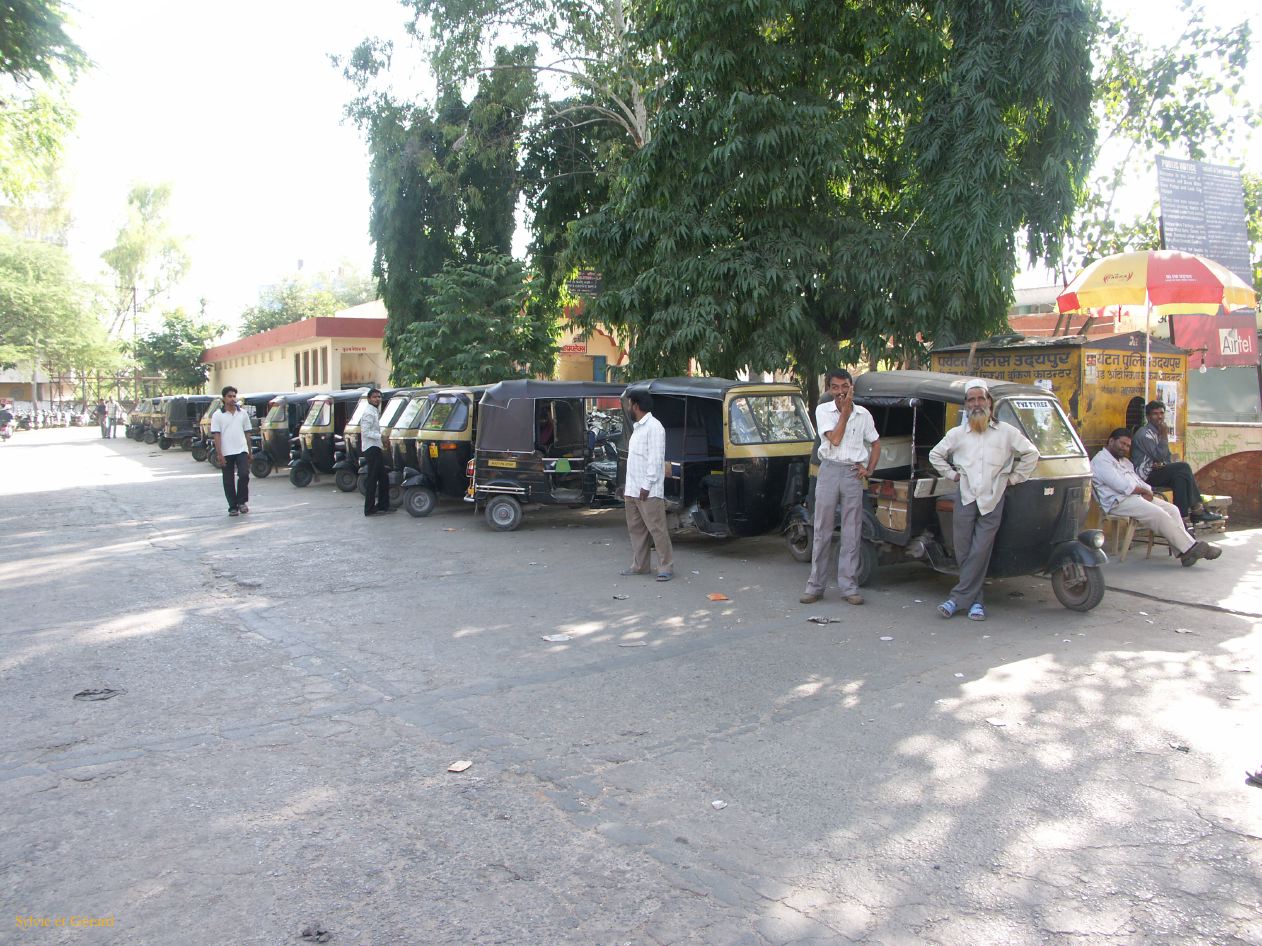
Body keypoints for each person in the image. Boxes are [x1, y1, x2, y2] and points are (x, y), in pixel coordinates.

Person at [929, 378, 1038, 621]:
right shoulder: (957, 434)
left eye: (981, 398)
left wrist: (1014, 478)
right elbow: (935, 455)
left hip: (993, 497)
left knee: (980, 550)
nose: (976, 404)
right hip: (966, 496)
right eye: (971, 400)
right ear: (966, 405)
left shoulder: (1007, 432)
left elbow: (1031, 453)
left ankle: (957, 599)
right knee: (964, 550)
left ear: (989, 402)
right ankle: (975, 602)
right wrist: (952, 474)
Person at [800, 369, 881, 607]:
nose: (840, 392)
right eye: (835, 387)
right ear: (829, 388)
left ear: (851, 387)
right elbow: (834, 440)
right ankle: (815, 585)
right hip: (829, 469)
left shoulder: (863, 414)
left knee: (852, 531)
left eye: (845, 386)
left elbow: (875, 443)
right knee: (822, 528)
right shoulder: (823, 410)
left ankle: (849, 587)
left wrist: (870, 469)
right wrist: (844, 415)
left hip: (853, 473)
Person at [1092, 428, 1219, 567]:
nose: (1125, 448)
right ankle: (1191, 547)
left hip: (1136, 496)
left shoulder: (1124, 462)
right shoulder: (1101, 461)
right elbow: (1122, 486)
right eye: (1122, 444)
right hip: (1117, 502)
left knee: (1172, 509)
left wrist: (1148, 491)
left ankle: (1183, 553)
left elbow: (1138, 481)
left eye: (1128, 446)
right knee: (1159, 514)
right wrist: (1144, 491)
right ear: (1111, 441)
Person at [1130, 400, 1222, 523]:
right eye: (1155, 414)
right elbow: (1159, 456)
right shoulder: (1144, 434)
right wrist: (1164, 436)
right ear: (1148, 417)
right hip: (1144, 475)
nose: (1159, 417)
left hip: (1156, 471)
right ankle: (1197, 510)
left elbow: (1166, 457)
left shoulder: (1158, 432)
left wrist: (1163, 464)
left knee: (1180, 479)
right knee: (1183, 467)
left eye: (1161, 413)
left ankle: (1181, 519)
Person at [621, 389, 673, 581]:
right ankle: (640, 566)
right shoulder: (638, 427)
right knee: (637, 530)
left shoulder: (654, 427)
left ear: (635, 405)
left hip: (647, 491)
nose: (628, 407)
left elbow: (655, 460)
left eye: (629, 404)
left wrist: (646, 485)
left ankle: (665, 566)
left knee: (657, 530)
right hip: (632, 489)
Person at [210, 386, 253, 517]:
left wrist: (250, 451)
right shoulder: (218, 415)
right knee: (228, 480)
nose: (232, 399)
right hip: (226, 451)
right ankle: (232, 506)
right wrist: (219, 454)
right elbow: (216, 435)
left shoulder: (243, 413)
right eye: (229, 396)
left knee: (244, 474)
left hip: (241, 450)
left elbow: (247, 433)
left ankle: (242, 502)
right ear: (224, 398)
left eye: (234, 396)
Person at [360, 388, 393, 517]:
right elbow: (366, 432)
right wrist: (381, 437)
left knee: (383, 478)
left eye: (379, 397)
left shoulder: (374, 411)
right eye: (374, 397)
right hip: (371, 448)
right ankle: (369, 509)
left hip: (375, 447)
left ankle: (383, 506)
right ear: (369, 399)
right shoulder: (368, 413)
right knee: (373, 479)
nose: (377, 399)